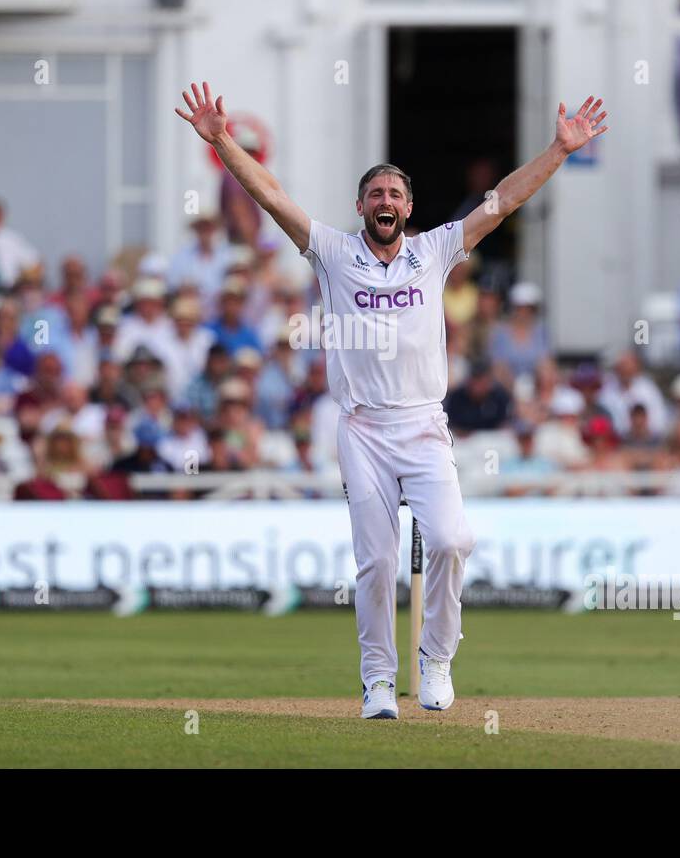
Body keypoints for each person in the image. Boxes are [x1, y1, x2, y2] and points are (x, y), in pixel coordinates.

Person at [176, 80, 608, 718]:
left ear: (409, 207)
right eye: (375, 192)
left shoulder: (434, 251)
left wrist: (559, 149)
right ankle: (378, 680)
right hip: (362, 430)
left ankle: (436, 658)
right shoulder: (332, 252)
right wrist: (223, 144)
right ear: (360, 205)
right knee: (376, 563)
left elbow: (503, 200)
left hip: (425, 423)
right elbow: (271, 196)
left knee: (454, 540)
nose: (385, 200)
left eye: (395, 193)